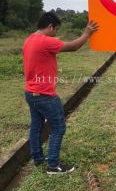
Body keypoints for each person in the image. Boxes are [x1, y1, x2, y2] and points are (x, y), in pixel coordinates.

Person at [23, 12, 99, 174]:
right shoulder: (45, 41)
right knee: (58, 126)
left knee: (36, 126)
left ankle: (38, 159)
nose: (56, 33)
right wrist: (86, 33)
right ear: (50, 26)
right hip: (44, 94)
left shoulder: (29, 40)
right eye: (56, 30)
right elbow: (73, 47)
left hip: (30, 92)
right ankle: (53, 165)